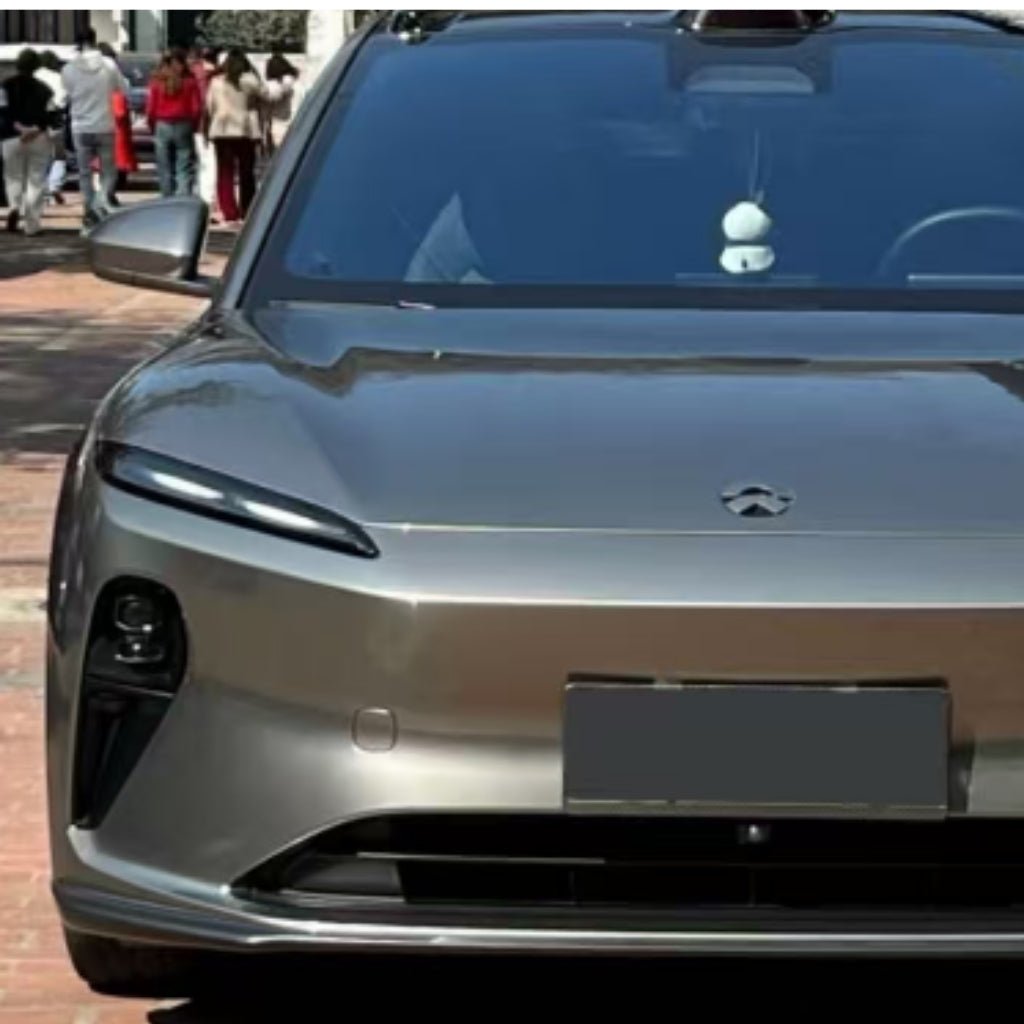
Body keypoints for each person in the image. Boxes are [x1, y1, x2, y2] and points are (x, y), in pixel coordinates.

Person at [61, 28, 126, 231]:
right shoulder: (109, 65)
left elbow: (64, 96)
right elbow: (123, 89)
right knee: (109, 172)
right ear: (94, 40)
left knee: (84, 173)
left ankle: (90, 209)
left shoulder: (69, 68)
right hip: (105, 124)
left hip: (80, 126)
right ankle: (100, 203)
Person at [0, 48, 58, 236]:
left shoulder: (5, 86)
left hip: (11, 137)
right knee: (36, 179)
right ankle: (32, 224)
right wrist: (35, 128)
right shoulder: (45, 89)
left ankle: (14, 206)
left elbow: (2, 111)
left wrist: (18, 127)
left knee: (13, 176)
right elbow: (52, 115)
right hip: (38, 137)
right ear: (36, 67)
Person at [205, 48, 263, 226]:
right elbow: (265, 94)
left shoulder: (216, 82)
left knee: (225, 172)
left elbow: (210, 105)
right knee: (246, 171)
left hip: (222, 129)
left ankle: (229, 210)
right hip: (244, 129)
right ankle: (247, 208)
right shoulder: (250, 81)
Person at [147, 49, 200, 198]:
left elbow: (150, 108)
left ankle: (167, 198)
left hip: (162, 124)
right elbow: (196, 108)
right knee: (184, 165)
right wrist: (194, 126)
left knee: (164, 166)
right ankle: (183, 196)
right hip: (184, 124)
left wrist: (152, 126)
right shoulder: (190, 82)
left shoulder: (157, 83)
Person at [97, 42, 137, 207]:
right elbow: (122, 104)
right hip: (113, 126)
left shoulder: (92, 77)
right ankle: (106, 196)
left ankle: (103, 196)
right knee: (110, 163)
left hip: (94, 124)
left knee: (101, 164)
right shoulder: (119, 79)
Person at [188, 46, 219, 215]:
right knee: (210, 162)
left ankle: (199, 196)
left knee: (200, 162)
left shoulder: (191, 73)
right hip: (211, 124)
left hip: (192, 123)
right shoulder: (217, 76)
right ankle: (208, 200)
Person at [36, 50, 67, 204]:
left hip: (33, 124)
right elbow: (64, 100)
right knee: (59, 156)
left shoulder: (32, 77)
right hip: (54, 121)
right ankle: (54, 185)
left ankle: (40, 192)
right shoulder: (59, 78)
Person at [263, 49, 300, 155]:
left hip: (279, 125)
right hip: (299, 123)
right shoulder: (297, 83)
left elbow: (267, 109)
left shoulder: (272, 86)